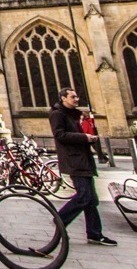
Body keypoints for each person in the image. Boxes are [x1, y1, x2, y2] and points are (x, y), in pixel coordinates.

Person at [50, 87, 117, 247]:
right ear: (63, 98)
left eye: (77, 96)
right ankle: (60, 219)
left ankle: (94, 234)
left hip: (83, 159)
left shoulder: (75, 114)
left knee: (91, 199)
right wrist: (84, 137)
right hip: (75, 160)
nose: (76, 99)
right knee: (85, 196)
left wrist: (89, 134)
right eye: (73, 97)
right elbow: (60, 135)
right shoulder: (57, 114)